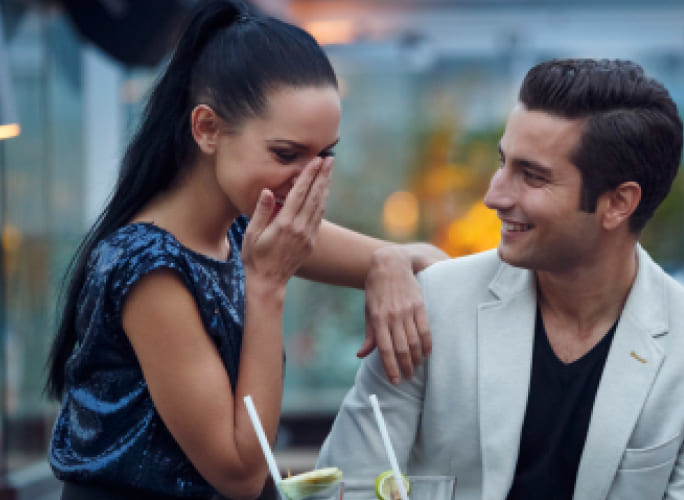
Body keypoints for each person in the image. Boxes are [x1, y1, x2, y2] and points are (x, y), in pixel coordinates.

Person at [45, 2, 448, 499]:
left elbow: (429, 259)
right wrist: (267, 285)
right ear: (207, 129)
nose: (309, 180)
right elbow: (239, 473)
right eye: (286, 154)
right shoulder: (149, 269)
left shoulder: (243, 227)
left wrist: (387, 262)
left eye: (325, 155)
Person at [317, 58, 684, 500]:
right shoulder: (431, 305)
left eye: (532, 176)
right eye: (504, 163)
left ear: (618, 203)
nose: (494, 196)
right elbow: (344, 487)